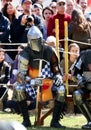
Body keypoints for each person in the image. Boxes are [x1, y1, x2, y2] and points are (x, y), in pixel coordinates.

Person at [16, 25, 66, 128]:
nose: (35, 42)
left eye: (37, 39)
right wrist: (31, 80)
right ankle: (26, 120)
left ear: (41, 38)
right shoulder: (25, 54)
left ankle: (55, 121)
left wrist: (58, 77)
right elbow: (21, 75)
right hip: (31, 84)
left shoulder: (49, 50)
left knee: (61, 89)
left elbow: (56, 69)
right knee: (19, 88)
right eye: (33, 40)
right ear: (29, 40)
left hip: (47, 82)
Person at [73, 49, 91, 129]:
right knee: (77, 95)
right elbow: (76, 72)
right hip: (87, 85)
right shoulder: (85, 54)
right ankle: (90, 120)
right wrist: (80, 79)